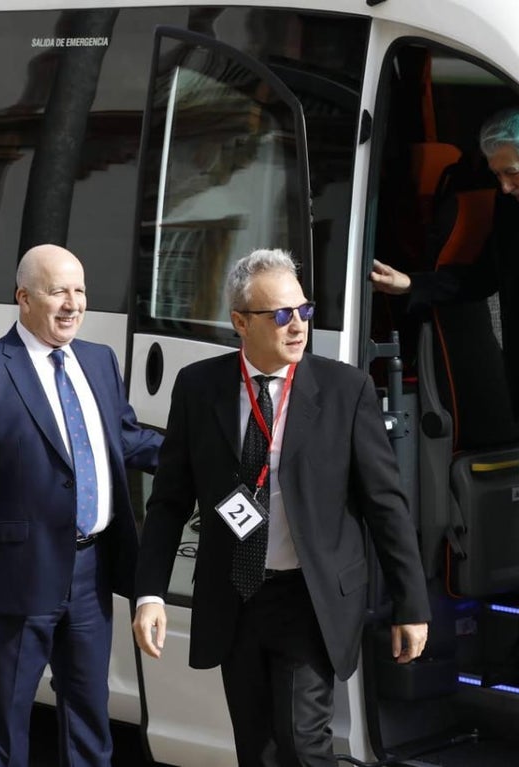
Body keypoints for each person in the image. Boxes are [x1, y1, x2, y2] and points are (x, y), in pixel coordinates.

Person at [133, 248, 430, 767]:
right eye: (281, 315)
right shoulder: (200, 387)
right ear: (240, 323)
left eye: (304, 311)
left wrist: (412, 605)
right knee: (257, 748)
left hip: (309, 597)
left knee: (302, 740)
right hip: (236, 596)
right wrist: (150, 593)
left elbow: (385, 504)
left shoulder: (345, 389)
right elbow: (170, 501)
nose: (298, 326)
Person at [0, 243, 162, 767]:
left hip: (92, 570)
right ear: (24, 298)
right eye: (58, 292)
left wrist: (201, 457)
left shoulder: (99, 361)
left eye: (80, 291)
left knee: (90, 724)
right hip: (17, 574)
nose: (73, 304)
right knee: (4, 731)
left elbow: (125, 439)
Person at [368, 107, 519, 688]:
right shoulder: (510, 211)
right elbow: (481, 280)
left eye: (514, 172)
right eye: (498, 176)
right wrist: (413, 286)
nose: (507, 187)